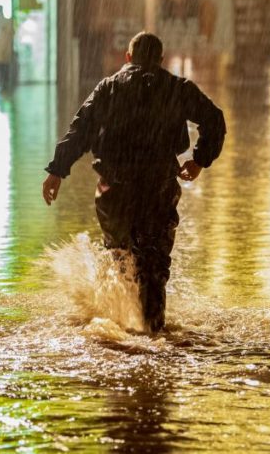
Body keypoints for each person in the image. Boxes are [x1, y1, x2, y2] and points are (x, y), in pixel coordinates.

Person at [42, 32, 226, 333]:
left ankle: (123, 329)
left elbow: (81, 131)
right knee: (153, 266)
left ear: (128, 58)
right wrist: (199, 160)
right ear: (161, 60)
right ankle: (153, 336)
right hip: (158, 188)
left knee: (121, 258)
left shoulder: (109, 88)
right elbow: (214, 119)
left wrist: (56, 171)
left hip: (115, 190)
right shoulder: (177, 88)